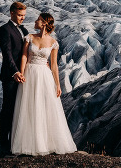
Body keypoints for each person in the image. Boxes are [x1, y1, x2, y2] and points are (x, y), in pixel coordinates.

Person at [10, 11, 77, 155]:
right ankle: (29, 144)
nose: (35, 21)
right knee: (28, 107)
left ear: (45, 23)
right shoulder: (29, 37)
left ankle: (45, 143)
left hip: (44, 76)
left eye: (38, 20)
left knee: (44, 107)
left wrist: (58, 85)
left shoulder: (53, 43)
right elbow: (24, 56)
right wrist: (21, 73)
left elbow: (54, 65)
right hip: (29, 72)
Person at [0, 1, 28, 156]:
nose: (22, 18)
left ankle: (17, 143)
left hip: (23, 76)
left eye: (24, 16)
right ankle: (4, 147)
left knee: (20, 110)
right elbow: (7, 53)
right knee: (8, 110)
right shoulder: (4, 30)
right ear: (12, 13)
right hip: (11, 76)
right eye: (20, 15)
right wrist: (15, 72)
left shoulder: (23, 29)